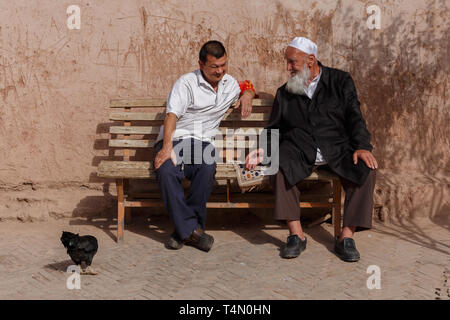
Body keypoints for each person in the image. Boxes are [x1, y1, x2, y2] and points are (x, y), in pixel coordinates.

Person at [245, 37, 377, 262]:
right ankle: (296, 235)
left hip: (337, 147)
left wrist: (362, 147)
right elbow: (274, 128)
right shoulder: (285, 92)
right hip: (298, 148)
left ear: (311, 60)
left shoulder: (340, 81)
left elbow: (355, 116)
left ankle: (346, 237)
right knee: (278, 166)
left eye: (292, 62)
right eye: (287, 62)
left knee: (367, 168)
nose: (288, 68)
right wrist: (263, 150)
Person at [154, 40, 256, 252]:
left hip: (203, 143)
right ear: (201, 65)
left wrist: (248, 94)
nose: (220, 71)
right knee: (166, 171)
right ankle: (193, 230)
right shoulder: (186, 83)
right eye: (214, 67)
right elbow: (171, 116)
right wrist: (166, 148)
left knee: (208, 167)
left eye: (223, 65)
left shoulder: (230, 84)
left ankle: (184, 231)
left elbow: (249, 86)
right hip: (177, 139)